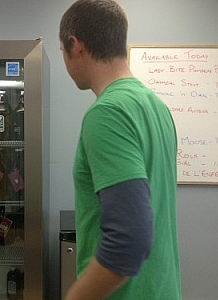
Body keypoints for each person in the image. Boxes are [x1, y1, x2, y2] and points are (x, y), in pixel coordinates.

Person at [59, 1, 182, 299]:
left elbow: (129, 240)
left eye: (62, 50)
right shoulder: (156, 106)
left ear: (75, 45)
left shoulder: (108, 113)